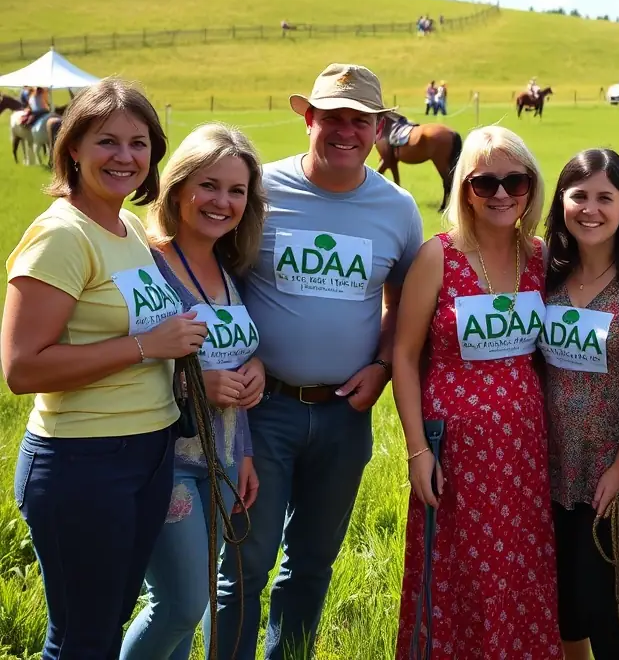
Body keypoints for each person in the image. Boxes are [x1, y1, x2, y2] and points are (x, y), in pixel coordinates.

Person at [215, 63, 423, 660]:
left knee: (310, 565)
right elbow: (212, 278)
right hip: (261, 410)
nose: (346, 132)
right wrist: (238, 357)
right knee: (244, 567)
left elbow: (403, 304)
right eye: (333, 117)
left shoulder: (398, 207)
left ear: (379, 128)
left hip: (342, 415)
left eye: (361, 120)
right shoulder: (259, 189)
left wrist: (382, 365)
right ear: (308, 118)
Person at [1, 78, 208, 659]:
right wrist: (146, 346)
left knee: (108, 619)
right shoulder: (61, 236)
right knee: (82, 638)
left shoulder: (130, 229)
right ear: (72, 149)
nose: (125, 157)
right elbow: (21, 367)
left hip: (148, 450)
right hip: (83, 462)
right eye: (107, 142)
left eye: (138, 144)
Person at [392, 125, 560, 658]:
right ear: (464, 187)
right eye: (485, 183)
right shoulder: (438, 256)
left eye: (516, 180)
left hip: (524, 455)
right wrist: (418, 451)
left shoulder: (542, 257)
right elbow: (403, 356)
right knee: (455, 573)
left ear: (532, 187)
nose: (502, 194)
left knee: (519, 570)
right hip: (454, 454)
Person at [121, 123, 269, 660]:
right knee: (180, 604)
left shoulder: (232, 267)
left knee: (197, 601)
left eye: (236, 191)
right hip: (168, 459)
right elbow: (129, 356)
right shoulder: (147, 262)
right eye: (209, 185)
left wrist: (245, 450)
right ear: (179, 186)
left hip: (223, 459)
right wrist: (193, 384)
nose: (222, 202)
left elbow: (230, 353)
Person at [540, 148, 619, 660]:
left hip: (613, 465)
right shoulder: (546, 278)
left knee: (599, 601)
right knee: (561, 603)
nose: (591, 209)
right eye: (579, 196)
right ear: (562, 203)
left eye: (605, 198)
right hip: (546, 464)